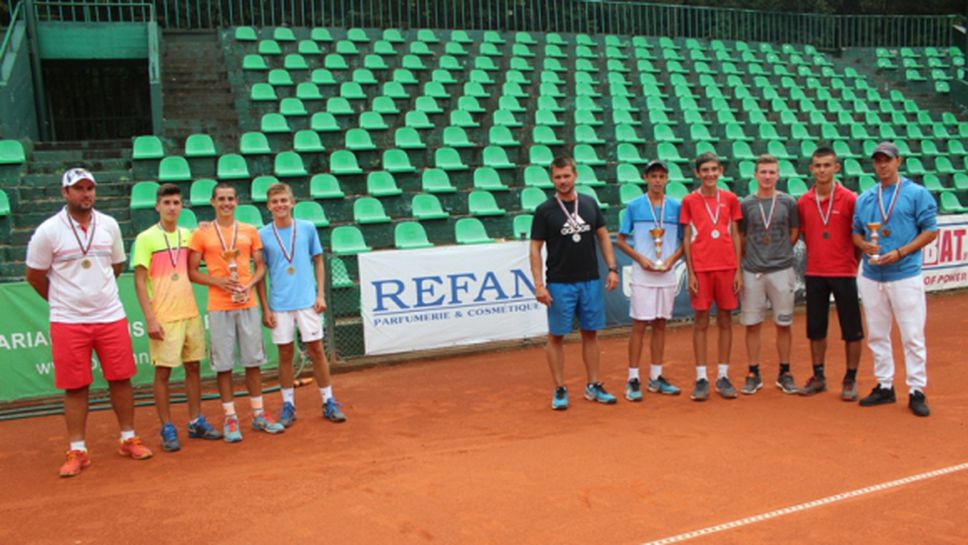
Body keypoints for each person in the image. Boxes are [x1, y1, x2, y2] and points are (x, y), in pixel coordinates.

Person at [25, 168, 153, 477]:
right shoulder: (48, 231)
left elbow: (116, 265)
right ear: (64, 193)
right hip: (68, 321)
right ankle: (77, 449)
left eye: (90, 188)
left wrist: (96, 297)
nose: (86, 194)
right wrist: (62, 301)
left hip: (110, 316)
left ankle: (128, 438)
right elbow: (34, 275)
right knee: (75, 386)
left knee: (121, 379)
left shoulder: (109, 225)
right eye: (79, 189)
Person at [188, 182, 284, 441]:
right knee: (224, 366)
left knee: (253, 363)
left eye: (230, 198)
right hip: (219, 306)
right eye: (221, 199)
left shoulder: (250, 230)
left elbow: (261, 266)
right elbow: (192, 271)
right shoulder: (202, 234)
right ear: (212, 202)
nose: (226, 203)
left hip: (247, 303)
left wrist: (250, 284)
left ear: (237, 201)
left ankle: (258, 415)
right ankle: (230, 418)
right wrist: (217, 281)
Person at [132, 184, 222, 452]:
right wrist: (150, 317)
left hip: (190, 313)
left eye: (177, 203)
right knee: (163, 373)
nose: (172, 207)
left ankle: (195, 421)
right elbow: (139, 281)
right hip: (164, 316)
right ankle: (167, 426)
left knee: (193, 368)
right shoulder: (145, 238)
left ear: (182, 206)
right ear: (157, 206)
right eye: (167, 202)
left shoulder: (189, 235)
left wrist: (207, 227)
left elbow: (208, 242)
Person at [852, 142, 938, 417]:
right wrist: (864, 245)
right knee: (877, 334)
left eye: (887, 160)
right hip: (872, 273)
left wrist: (901, 252)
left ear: (898, 161)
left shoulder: (916, 194)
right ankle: (884, 385)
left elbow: (930, 231)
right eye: (877, 161)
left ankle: (916, 389)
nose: (882, 165)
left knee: (912, 335)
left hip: (904, 274)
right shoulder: (865, 198)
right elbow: (856, 233)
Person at [530, 156, 620, 410]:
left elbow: (603, 236)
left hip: (590, 280)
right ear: (552, 179)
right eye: (557, 177)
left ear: (575, 175)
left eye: (566, 176)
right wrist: (539, 284)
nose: (562, 181)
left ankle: (593, 385)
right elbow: (535, 248)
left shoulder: (589, 204)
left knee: (591, 333)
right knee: (557, 335)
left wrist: (612, 268)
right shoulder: (545, 211)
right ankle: (559, 387)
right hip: (559, 283)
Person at [256, 182, 346, 426]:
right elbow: (260, 273)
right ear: (268, 206)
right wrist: (265, 307)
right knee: (285, 354)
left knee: (316, 350)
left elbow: (318, 261)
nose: (280, 205)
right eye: (275, 202)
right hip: (279, 304)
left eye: (284, 200)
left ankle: (328, 400)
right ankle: (288, 405)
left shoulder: (307, 228)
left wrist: (320, 295)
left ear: (292, 202)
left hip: (307, 302)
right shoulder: (263, 234)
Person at [796, 147, 864, 400]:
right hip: (815, 272)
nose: (822, 170)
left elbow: (859, 237)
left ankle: (850, 378)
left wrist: (850, 263)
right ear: (811, 169)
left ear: (836, 168)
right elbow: (804, 235)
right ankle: (819, 376)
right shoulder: (803, 202)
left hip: (844, 272)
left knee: (852, 328)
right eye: (817, 165)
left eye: (827, 165)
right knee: (816, 328)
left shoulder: (850, 199)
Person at [615, 160, 683, 401]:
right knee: (639, 325)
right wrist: (641, 259)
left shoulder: (676, 207)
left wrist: (673, 260)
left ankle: (656, 376)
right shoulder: (634, 206)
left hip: (666, 274)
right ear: (645, 178)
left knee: (661, 324)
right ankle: (633, 378)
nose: (657, 180)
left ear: (666, 180)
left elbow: (686, 242)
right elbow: (621, 240)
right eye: (653, 176)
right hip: (643, 275)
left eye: (661, 176)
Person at [679, 152, 743, 401]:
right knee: (701, 322)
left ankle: (723, 376)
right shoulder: (689, 201)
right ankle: (701, 377)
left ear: (721, 171)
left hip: (726, 268)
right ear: (697, 173)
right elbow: (685, 237)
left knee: (726, 320)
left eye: (714, 169)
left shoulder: (730, 199)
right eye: (705, 170)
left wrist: (737, 269)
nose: (710, 174)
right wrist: (691, 272)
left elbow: (736, 234)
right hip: (702, 269)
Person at [737, 155, 800, 395]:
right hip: (753, 271)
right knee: (752, 325)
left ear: (778, 175)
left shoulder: (788, 202)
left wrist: (780, 252)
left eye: (772, 172)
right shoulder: (746, 204)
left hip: (782, 270)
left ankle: (785, 372)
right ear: (755, 175)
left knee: (783, 324)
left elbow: (794, 231)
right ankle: (753, 371)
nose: (767, 176)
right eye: (763, 172)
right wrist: (752, 257)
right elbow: (741, 237)